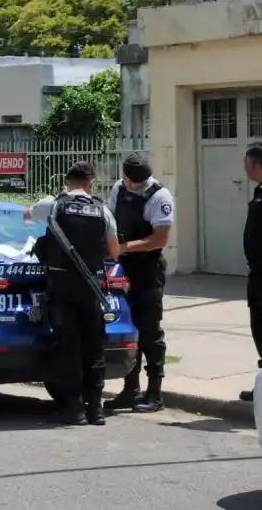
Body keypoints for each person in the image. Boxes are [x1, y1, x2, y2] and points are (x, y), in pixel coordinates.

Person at [24, 161, 119, 425]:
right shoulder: (102, 210)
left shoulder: (53, 205)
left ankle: (73, 409)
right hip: (92, 287)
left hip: (62, 286)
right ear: (91, 183)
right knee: (94, 347)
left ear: (67, 181)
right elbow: (114, 252)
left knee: (69, 348)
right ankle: (95, 409)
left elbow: (26, 216)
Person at [104, 152, 174, 414]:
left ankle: (155, 393)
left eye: (139, 182)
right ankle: (130, 389)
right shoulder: (118, 189)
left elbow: (160, 239)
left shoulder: (159, 196)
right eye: (130, 181)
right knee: (128, 329)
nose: (134, 186)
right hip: (123, 270)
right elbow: (112, 223)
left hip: (148, 270)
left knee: (149, 332)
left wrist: (123, 248)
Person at [241, 143, 262, 402]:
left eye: (246, 164)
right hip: (257, 276)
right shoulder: (259, 192)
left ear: (256, 164)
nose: (245, 169)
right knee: (259, 329)